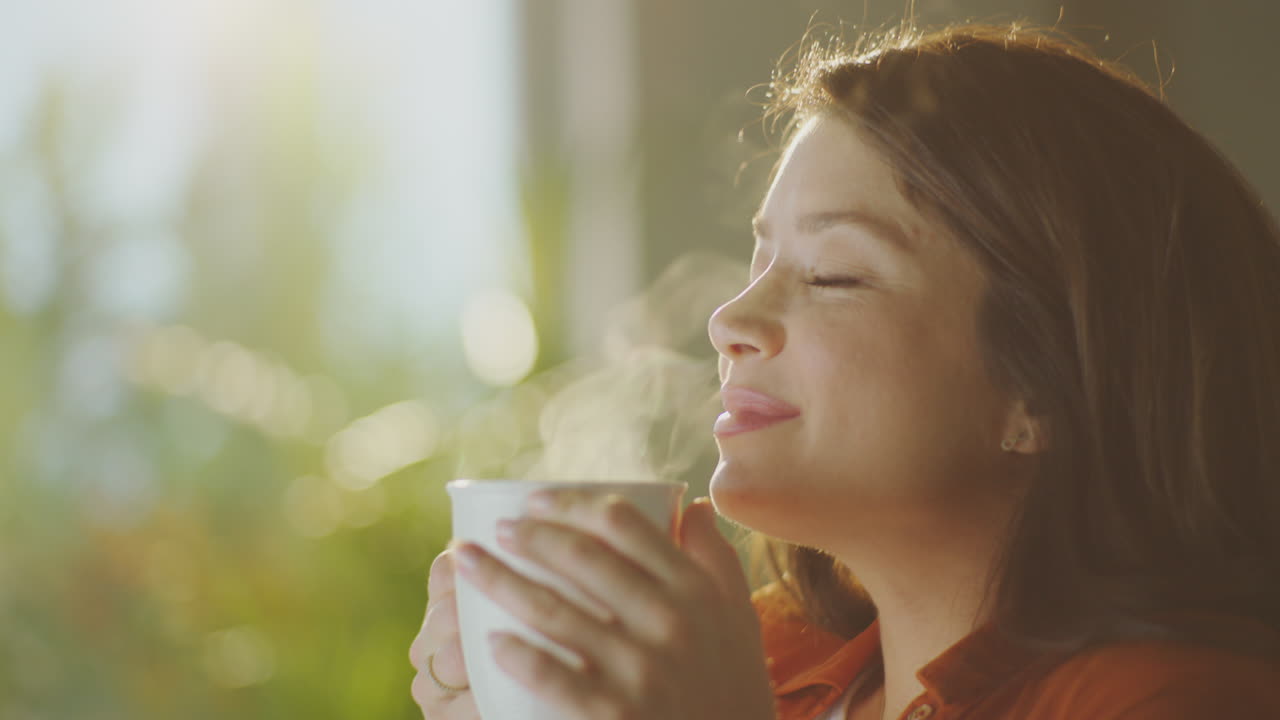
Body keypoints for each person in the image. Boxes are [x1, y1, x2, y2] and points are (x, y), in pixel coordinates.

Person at [409, 20, 1280, 720]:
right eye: (758, 263)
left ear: (1042, 388)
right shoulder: (765, 661)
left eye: (832, 276)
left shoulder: (1173, 702)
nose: (730, 321)